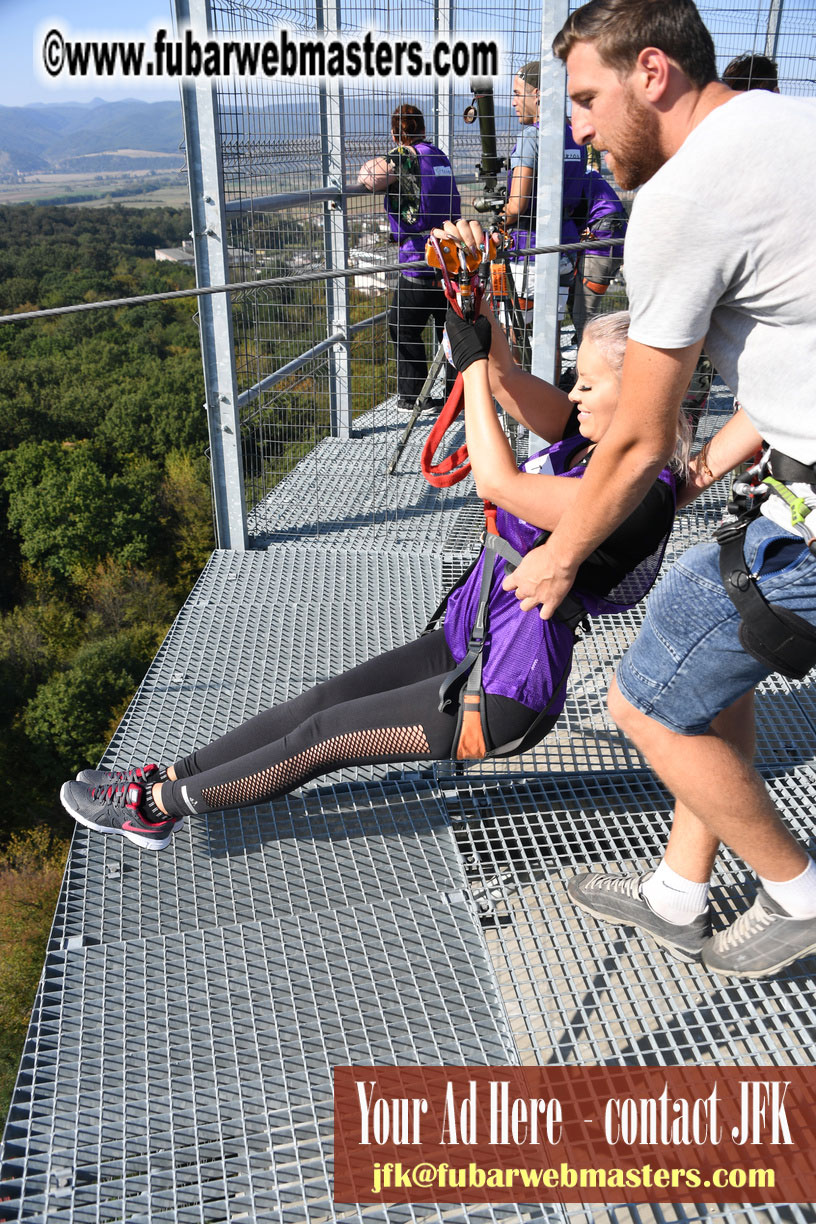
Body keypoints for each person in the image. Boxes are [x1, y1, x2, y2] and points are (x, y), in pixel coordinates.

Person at [59, 309, 689, 851]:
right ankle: (160, 777)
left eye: (585, 383)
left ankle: (155, 810)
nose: (573, 396)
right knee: (321, 702)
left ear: (636, 395)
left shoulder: (635, 497)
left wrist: (469, 368)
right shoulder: (588, 446)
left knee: (323, 739)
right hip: (470, 639)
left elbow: (501, 484)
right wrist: (477, 305)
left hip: (504, 691)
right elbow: (506, 379)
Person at [490, 0, 816, 978]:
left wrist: (559, 557)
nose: (574, 127)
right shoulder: (788, 127)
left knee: (644, 701)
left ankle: (799, 896)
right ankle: (679, 892)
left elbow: (632, 434)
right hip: (792, 475)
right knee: (706, 670)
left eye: (586, 99)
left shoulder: (686, 198)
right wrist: (707, 471)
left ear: (656, 74)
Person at [358, 104, 461, 409]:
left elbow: (369, 178)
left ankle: (413, 394)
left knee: (402, 325)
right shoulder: (438, 155)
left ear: (395, 133)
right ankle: (457, 396)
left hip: (419, 261)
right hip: (449, 258)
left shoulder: (405, 155)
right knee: (451, 332)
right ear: (424, 130)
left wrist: (390, 154)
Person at [503, 61, 586, 344]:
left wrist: (500, 219)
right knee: (548, 338)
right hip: (565, 246)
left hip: (530, 250)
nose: (513, 102)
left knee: (517, 335)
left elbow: (517, 205)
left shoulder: (531, 137)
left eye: (517, 93)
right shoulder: (574, 137)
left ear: (536, 94)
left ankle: (516, 390)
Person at [567, 167, 627, 345]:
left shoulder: (574, 179)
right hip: (610, 243)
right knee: (579, 308)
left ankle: (585, 367)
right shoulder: (586, 175)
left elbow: (571, 216)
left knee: (583, 316)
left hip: (602, 247)